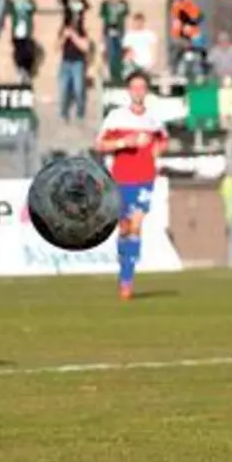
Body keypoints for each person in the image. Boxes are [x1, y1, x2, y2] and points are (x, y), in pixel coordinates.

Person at [95, 71, 167, 300]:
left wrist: (158, 149)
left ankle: (127, 281)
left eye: (142, 87)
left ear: (146, 91)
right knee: (124, 228)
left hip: (145, 179)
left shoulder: (154, 120)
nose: (138, 91)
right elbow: (100, 145)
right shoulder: (116, 117)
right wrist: (124, 142)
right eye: (134, 87)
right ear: (129, 91)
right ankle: (124, 265)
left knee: (136, 225)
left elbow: (163, 139)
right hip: (120, 179)